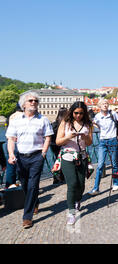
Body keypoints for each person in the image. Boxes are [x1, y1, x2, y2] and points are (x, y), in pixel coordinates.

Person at [5, 91, 54, 229]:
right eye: (30, 100)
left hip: (37, 156)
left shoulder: (43, 119)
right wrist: (10, 154)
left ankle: (27, 217)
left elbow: (48, 137)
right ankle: (35, 202)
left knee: (33, 185)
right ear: (23, 104)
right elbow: (11, 139)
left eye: (35, 101)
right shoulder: (16, 121)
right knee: (25, 185)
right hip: (21, 157)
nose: (33, 103)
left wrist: (43, 153)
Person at [56, 101, 93, 225]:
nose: (78, 115)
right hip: (67, 156)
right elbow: (58, 142)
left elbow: (89, 143)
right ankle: (71, 212)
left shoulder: (87, 124)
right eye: (76, 113)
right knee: (72, 184)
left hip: (82, 156)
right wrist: (68, 137)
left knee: (81, 184)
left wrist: (85, 137)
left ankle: (77, 200)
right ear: (71, 112)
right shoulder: (65, 123)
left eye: (81, 113)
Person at [89, 99, 118, 195]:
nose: (105, 105)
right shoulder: (97, 116)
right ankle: (96, 188)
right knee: (100, 165)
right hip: (102, 142)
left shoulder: (112, 114)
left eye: (106, 103)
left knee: (114, 164)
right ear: (99, 106)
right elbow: (93, 123)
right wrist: (100, 128)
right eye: (103, 104)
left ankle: (116, 183)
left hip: (113, 140)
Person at [4, 103, 23, 188]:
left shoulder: (10, 116)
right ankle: (23, 187)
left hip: (9, 142)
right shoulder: (25, 116)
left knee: (11, 167)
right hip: (20, 143)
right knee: (23, 167)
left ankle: (9, 187)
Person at [50, 107, 68, 184]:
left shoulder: (54, 123)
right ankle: (62, 177)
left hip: (53, 144)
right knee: (63, 160)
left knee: (56, 160)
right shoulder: (65, 123)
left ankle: (56, 177)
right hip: (62, 143)